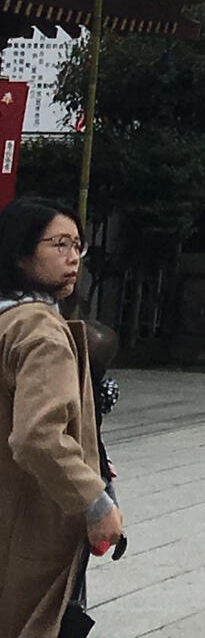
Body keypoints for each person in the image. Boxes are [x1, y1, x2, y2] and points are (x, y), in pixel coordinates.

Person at [1, 200, 122, 638]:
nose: (72, 257)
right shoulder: (40, 332)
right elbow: (37, 436)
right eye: (59, 244)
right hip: (30, 521)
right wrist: (95, 501)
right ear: (20, 252)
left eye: (77, 245)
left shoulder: (8, 321)